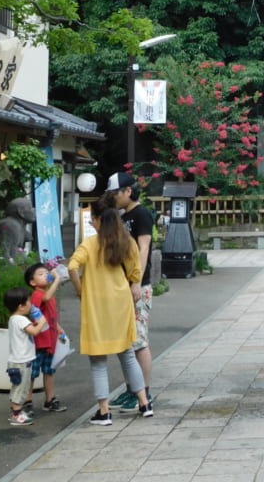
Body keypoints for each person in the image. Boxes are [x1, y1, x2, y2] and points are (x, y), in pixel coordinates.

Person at [68, 195, 153, 425]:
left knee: (98, 361)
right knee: (127, 355)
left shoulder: (89, 244)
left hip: (96, 307)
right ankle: (144, 403)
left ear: (97, 220)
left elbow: (72, 267)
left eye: (93, 220)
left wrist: (80, 290)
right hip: (121, 304)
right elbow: (135, 273)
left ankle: (104, 412)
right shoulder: (127, 242)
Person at [107, 171, 155, 411]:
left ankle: (144, 391)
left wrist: (137, 280)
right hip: (123, 284)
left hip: (138, 285)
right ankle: (131, 389)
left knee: (139, 339)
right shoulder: (124, 215)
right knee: (127, 340)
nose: (113, 197)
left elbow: (143, 248)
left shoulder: (142, 214)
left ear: (128, 191)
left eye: (116, 193)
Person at [24, 262, 67, 413]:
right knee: (32, 372)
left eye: (45, 273)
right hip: (39, 340)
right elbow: (47, 298)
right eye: (40, 274)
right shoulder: (37, 294)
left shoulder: (48, 294)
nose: (46, 275)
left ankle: (50, 399)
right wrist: (56, 279)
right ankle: (27, 400)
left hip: (50, 339)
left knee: (49, 371)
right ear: (32, 282)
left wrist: (59, 329)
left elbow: (51, 316)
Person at [4, 285, 47, 426]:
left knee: (18, 386)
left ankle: (16, 410)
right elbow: (34, 332)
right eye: (29, 302)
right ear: (21, 306)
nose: (32, 305)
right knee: (21, 388)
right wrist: (41, 322)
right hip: (22, 361)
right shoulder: (21, 319)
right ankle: (16, 415)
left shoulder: (14, 319)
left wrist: (34, 324)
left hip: (16, 360)